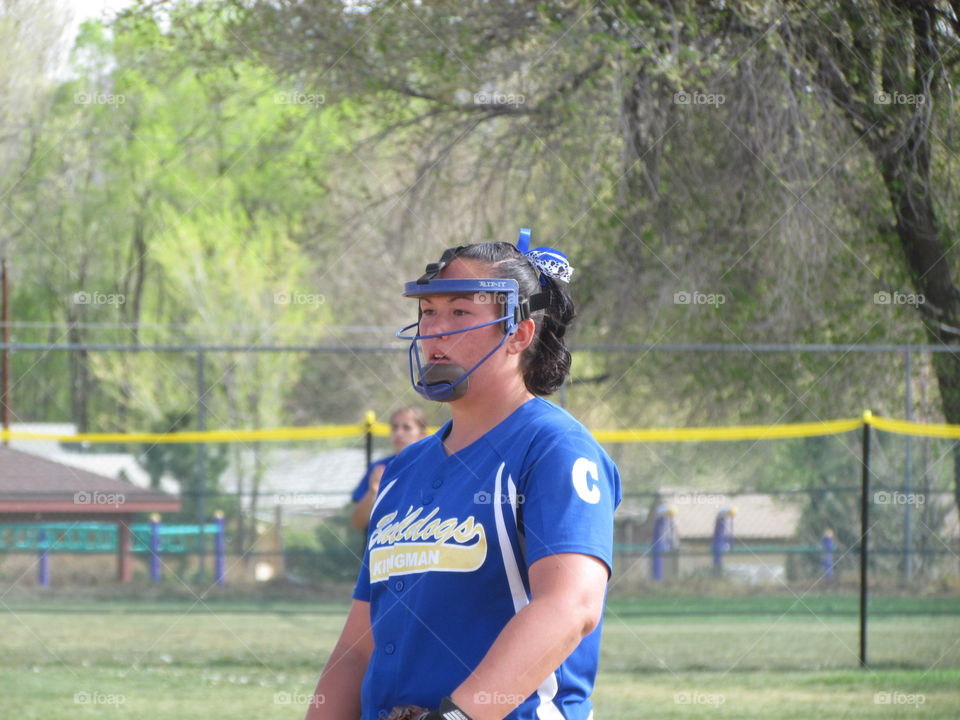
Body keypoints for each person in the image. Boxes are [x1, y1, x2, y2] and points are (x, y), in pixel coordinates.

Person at [306, 229, 621, 720]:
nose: (435, 330)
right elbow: (359, 645)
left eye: (459, 312)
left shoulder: (555, 448)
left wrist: (457, 716)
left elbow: (570, 605)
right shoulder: (402, 471)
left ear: (519, 333)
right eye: (428, 313)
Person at [350, 407, 429, 532]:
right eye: (394, 427)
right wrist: (373, 492)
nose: (399, 433)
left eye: (406, 427)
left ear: (422, 434)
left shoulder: (434, 466)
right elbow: (357, 522)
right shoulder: (379, 468)